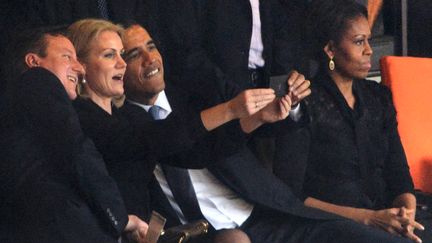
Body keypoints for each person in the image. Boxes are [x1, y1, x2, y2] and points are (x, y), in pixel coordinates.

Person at [120, 23, 414, 243]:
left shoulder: (198, 90)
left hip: (265, 213)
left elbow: (257, 126)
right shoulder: (119, 125)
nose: (150, 59)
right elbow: (176, 142)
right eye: (134, 54)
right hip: (201, 234)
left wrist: (285, 107)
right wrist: (235, 112)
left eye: (151, 46)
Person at [67, 18, 286, 242]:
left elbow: (191, 153)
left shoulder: (122, 114)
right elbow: (150, 139)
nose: (122, 64)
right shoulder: (81, 116)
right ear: (80, 65)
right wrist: (229, 109)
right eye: (109, 55)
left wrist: (254, 118)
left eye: (122, 55)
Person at [274, 1, 428, 243]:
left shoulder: (379, 98)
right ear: (330, 50)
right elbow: (292, 193)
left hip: (388, 217)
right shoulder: (304, 103)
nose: (369, 50)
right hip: (333, 226)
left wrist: (406, 214)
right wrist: (369, 218)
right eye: (359, 41)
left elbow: (399, 174)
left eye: (368, 40)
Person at [0, 26, 147, 243]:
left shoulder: (19, 109)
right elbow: (77, 152)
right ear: (33, 62)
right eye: (67, 57)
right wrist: (120, 217)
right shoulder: (36, 81)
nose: (79, 68)